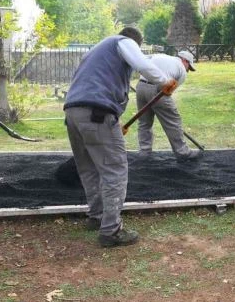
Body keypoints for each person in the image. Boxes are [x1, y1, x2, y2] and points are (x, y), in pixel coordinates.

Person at [63, 27, 174, 248]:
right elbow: (143, 65)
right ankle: (111, 230)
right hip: (97, 113)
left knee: (89, 169)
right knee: (115, 171)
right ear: (136, 42)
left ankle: (96, 217)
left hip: (73, 113)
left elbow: (95, 85)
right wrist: (164, 81)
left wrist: (114, 122)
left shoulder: (96, 52)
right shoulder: (123, 42)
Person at [136, 50, 201, 161]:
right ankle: (183, 152)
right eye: (188, 67)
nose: (187, 70)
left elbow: (141, 63)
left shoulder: (160, 56)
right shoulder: (181, 70)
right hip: (159, 90)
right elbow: (168, 91)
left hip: (141, 87)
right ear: (184, 60)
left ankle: (144, 152)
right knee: (173, 121)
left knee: (144, 122)